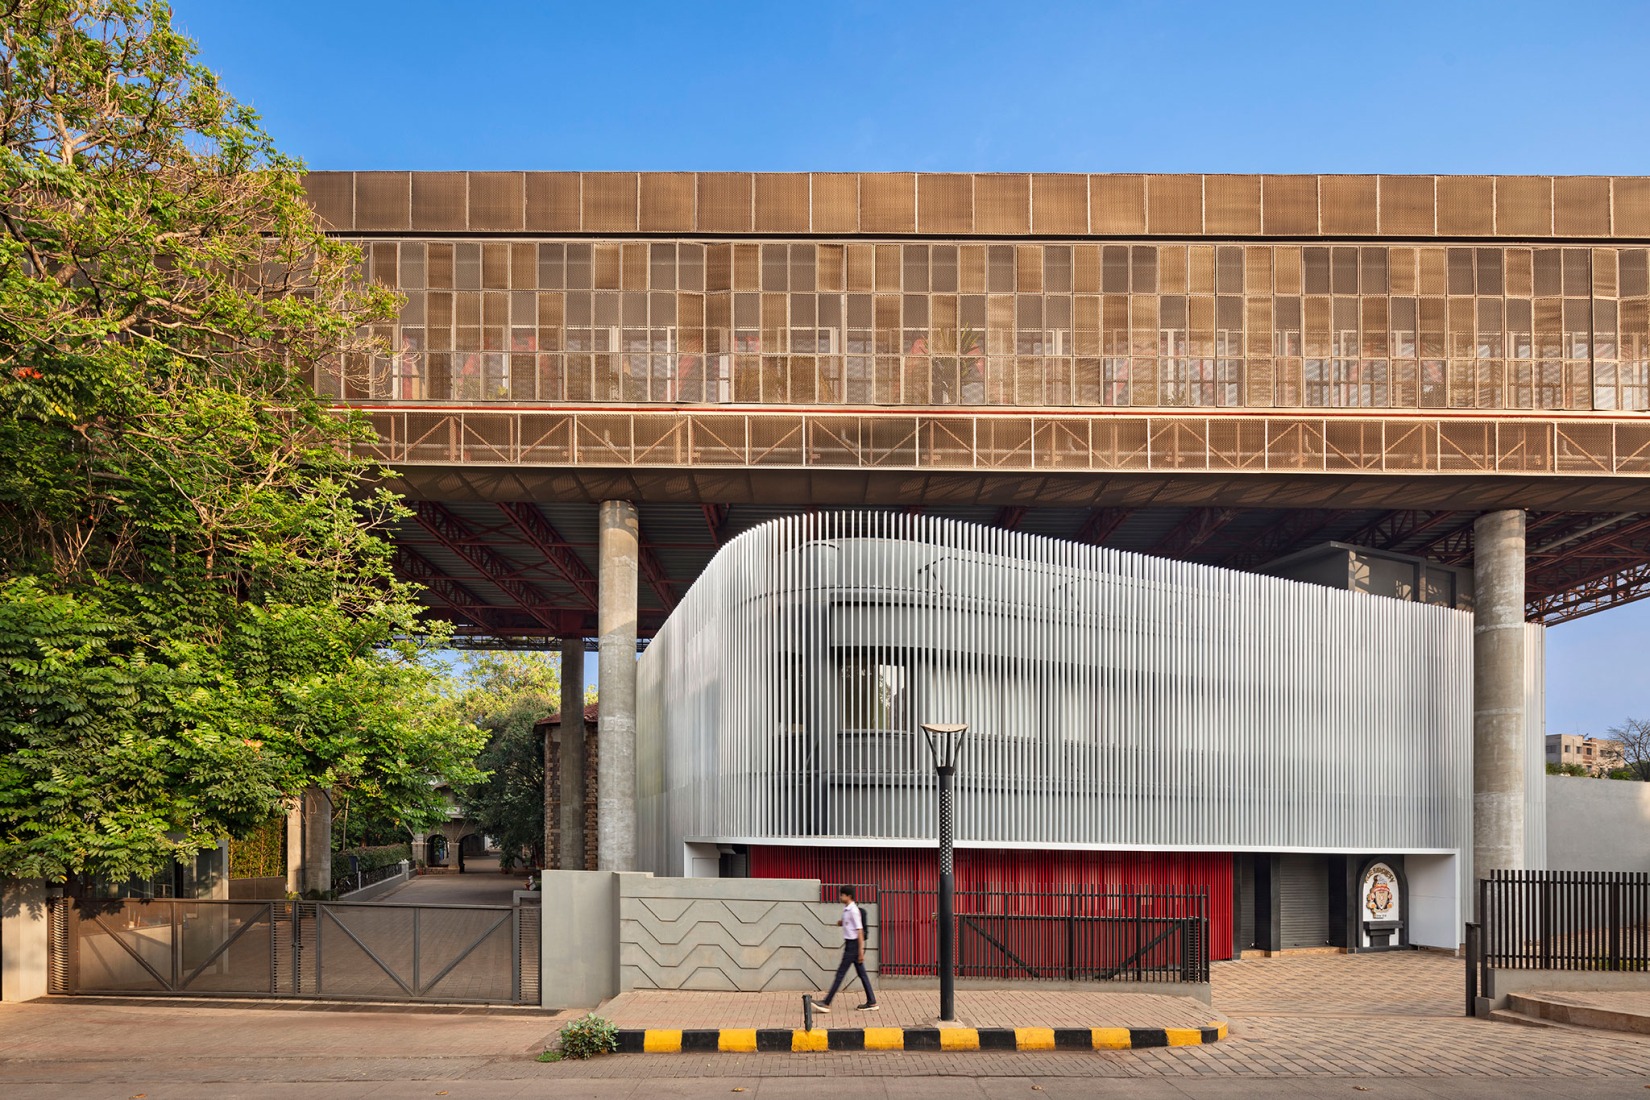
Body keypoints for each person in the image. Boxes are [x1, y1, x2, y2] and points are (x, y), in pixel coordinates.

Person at [811, 885, 877, 1013]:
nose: (840, 897)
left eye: (842, 895)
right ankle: (872, 1001)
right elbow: (851, 925)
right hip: (850, 945)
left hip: (853, 947)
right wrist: (841, 923)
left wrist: (860, 951)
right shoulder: (847, 910)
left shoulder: (853, 910)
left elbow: (860, 931)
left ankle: (826, 1002)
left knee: (840, 974)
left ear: (849, 896)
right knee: (862, 974)